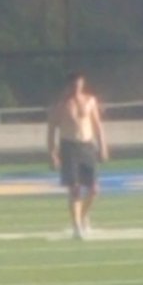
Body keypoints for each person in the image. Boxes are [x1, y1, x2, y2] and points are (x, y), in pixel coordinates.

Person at [46, 72, 108, 239]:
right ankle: (77, 226)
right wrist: (52, 153)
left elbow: (98, 125)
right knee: (74, 188)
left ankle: (83, 215)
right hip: (69, 146)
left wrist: (103, 146)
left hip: (87, 146)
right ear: (69, 86)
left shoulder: (90, 101)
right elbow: (51, 129)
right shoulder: (61, 105)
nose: (76, 89)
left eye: (79, 85)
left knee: (94, 189)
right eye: (74, 85)